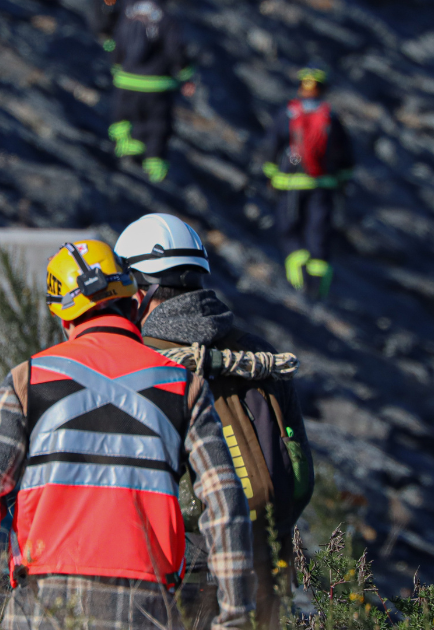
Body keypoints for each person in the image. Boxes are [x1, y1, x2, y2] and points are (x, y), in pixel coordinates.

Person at [0, 240, 254, 630]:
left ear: (65, 319)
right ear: (133, 303)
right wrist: (234, 618)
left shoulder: (28, 381)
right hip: (146, 609)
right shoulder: (184, 386)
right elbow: (226, 503)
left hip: (40, 604)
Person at [115, 214, 314, 629]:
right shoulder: (258, 355)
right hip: (264, 565)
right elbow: (299, 475)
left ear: (140, 290)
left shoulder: (137, 362)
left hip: (175, 570)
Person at [262, 63, 355, 299]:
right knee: (318, 230)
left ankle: (296, 271)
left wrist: (270, 175)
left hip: (289, 183)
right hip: (323, 184)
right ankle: (318, 284)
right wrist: (342, 180)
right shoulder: (331, 118)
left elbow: (272, 145)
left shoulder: (289, 114)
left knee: (289, 226)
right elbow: (346, 155)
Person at [108, 0, 194, 183]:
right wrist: (186, 74)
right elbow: (175, 49)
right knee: (157, 124)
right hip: (157, 83)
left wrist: (116, 65)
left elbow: (117, 40)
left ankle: (126, 154)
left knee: (126, 118)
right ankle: (155, 169)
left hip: (126, 80)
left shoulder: (128, 10)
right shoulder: (165, 17)